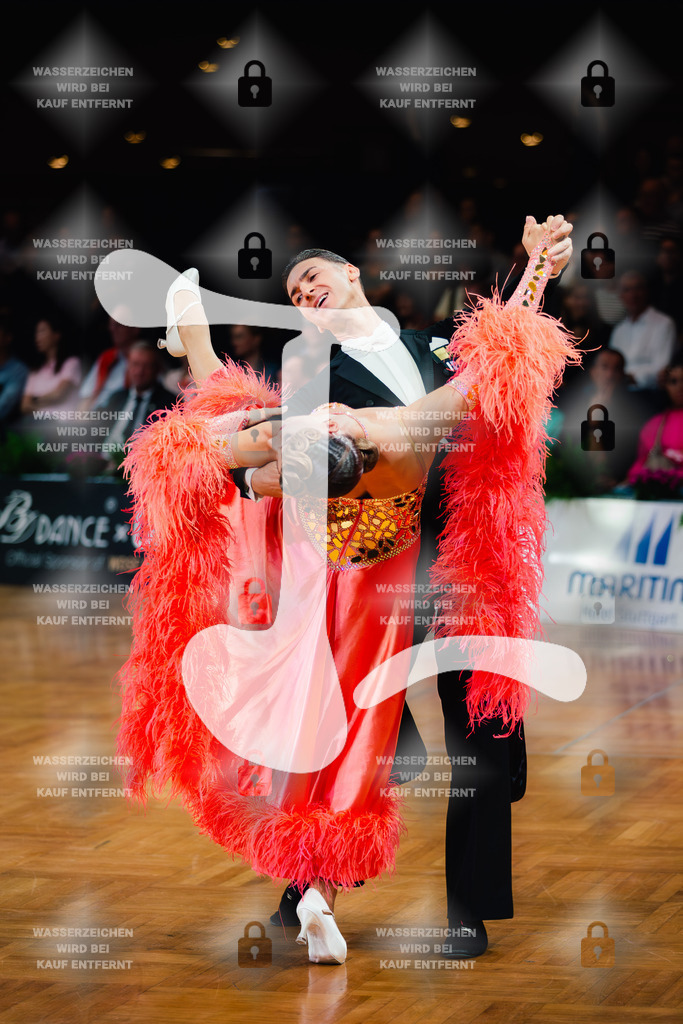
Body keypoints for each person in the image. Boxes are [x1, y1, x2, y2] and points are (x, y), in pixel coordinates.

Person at [115, 221, 576, 966]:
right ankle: (304, 885)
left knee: (484, 746)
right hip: (371, 574)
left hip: (463, 565)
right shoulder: (311, 377)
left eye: (311, 280)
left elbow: (508, 351)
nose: (303, 295)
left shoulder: (437, 342)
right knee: (348, 735)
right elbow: (253, 433)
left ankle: (468, 912)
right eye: (292, 295)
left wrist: (536, 269)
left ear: (351, 276)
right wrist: (202, 358)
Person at [609, 271, 677, 390]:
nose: (632, 295)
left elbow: (661, 369)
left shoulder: (664, 323)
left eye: (637, 288)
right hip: (619, 391)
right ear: (620, 295)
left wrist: (628, 377)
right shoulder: (619, 330)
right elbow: (611, 365)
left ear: (646, 291)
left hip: (649, 393)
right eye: (627, 290)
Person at [626, 356, 683, 495]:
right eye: (673, 381)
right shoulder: (654, 424)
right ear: (665, 385)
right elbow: (640, 464)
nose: (680, 386)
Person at [20, 315, 81, 417]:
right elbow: (24, 406)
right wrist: (44, 406)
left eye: (42, 331)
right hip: (37, 423)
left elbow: (59, 394)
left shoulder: (72, 363)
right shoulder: (34, 372)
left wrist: (34, 399)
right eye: (36, 332)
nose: (37, 337)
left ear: (56, 335)